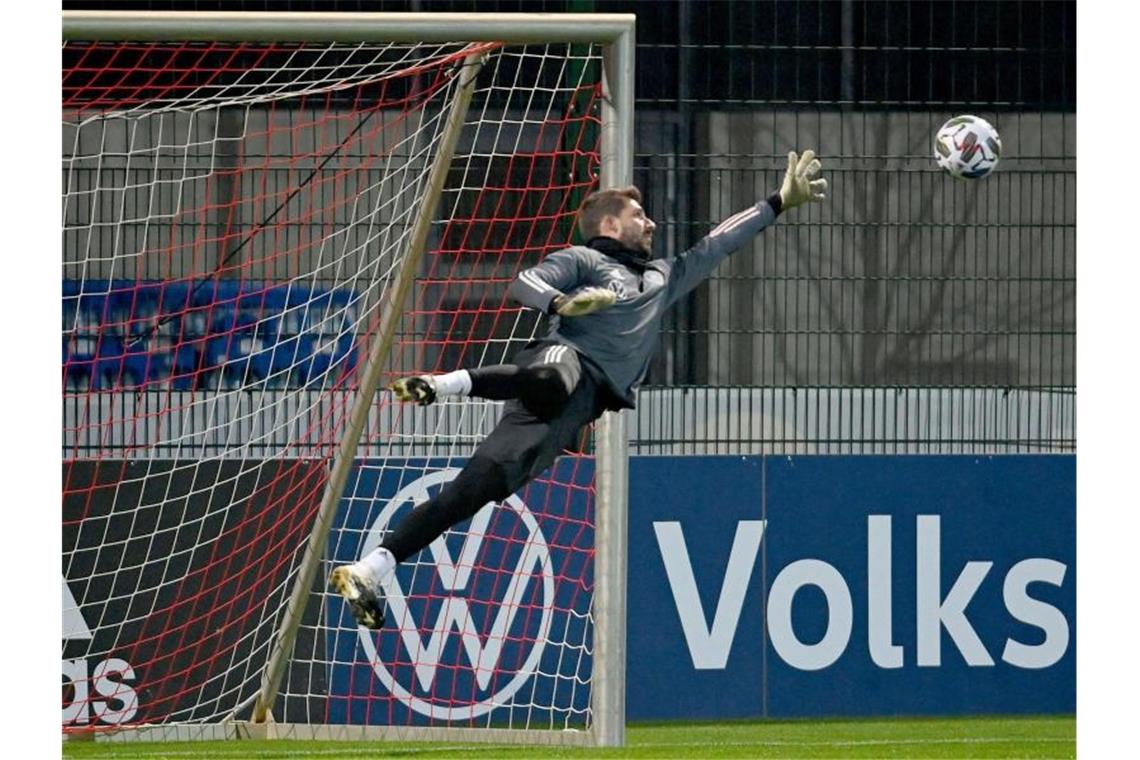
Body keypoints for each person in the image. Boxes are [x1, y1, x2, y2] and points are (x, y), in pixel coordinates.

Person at [330, 150, 827, 629]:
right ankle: (447, 384)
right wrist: (564, 305)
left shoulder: (661, 277)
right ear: (610, 225)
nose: (651, 223)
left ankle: (372, 568)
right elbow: (525, 282)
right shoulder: (584, 258)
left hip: (579, 406)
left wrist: (777, 201)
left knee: (472, 491)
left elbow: (718, 244)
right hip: (558, 363)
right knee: (554, 374)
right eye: (639, 214)